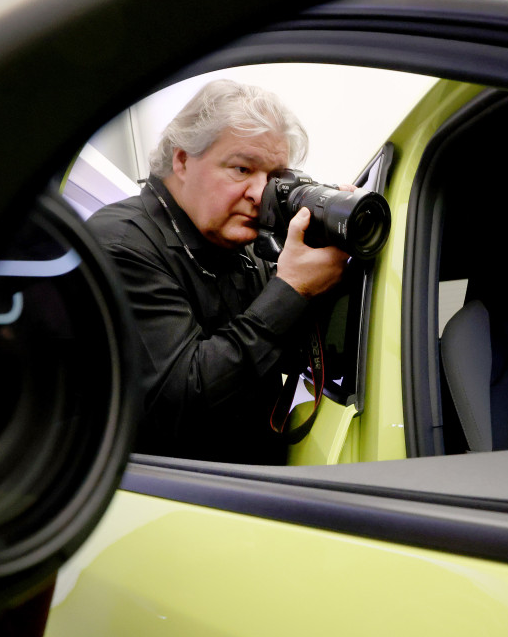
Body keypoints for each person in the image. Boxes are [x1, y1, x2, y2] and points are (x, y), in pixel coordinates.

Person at [87, 79, 349, 463]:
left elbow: (296, 351)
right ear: (182, 160)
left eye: (273, 177)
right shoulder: (121, 244)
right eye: (242, 169)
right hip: (175, 493)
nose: (259, 194)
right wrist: (291, 289)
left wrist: (330, 260)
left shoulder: (240, 244)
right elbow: (180, 398)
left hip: (251, 482)